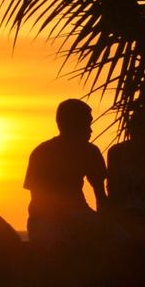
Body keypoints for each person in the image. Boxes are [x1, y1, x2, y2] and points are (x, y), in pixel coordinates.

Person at [23, 99, 107, 246]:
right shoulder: (42, 153)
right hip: (45, 218)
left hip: (80, 214)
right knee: (59, 244)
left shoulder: (91, 152)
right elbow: (39, 201)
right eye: (87, 124)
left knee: (120, 241)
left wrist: (104, 225)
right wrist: (71, 222)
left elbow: (101, 197)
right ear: (73, 124)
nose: (90, 130)